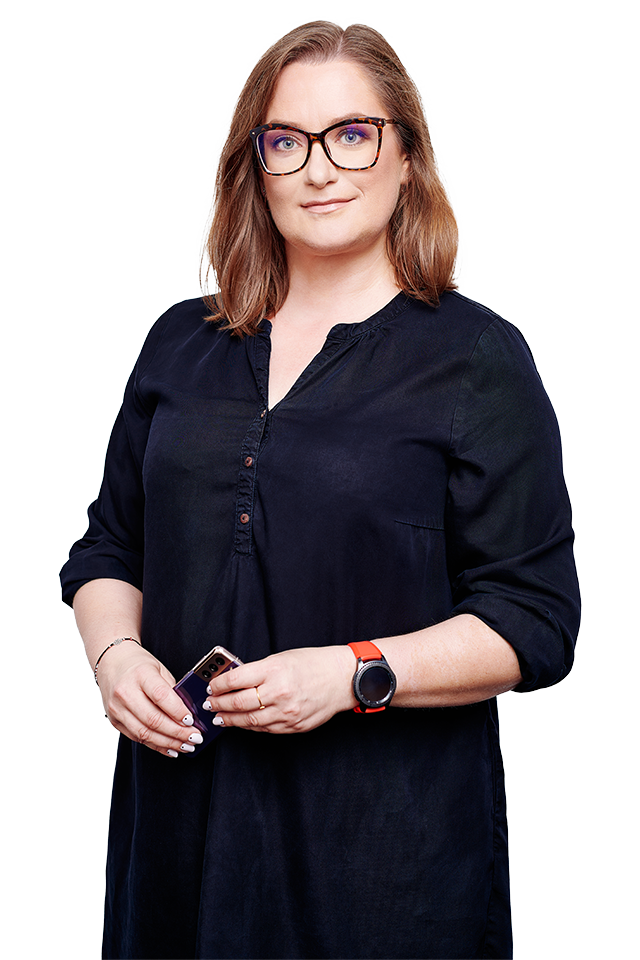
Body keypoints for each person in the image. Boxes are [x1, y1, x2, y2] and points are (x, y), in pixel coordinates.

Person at [60, 19, 580, 960]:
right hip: (178, 847)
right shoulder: (180, 343)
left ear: (406, 157)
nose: (319, 168)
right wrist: (116, 658)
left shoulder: (477, 360)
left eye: (352, 134)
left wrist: (351, 675)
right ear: (255, 166)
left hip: (383, 873)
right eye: (286, 141)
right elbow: (109, 548)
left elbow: (534, 621)